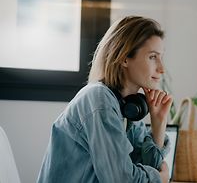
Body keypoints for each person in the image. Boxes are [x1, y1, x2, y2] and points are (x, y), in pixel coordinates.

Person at [37, 16, 173, 183]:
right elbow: (121, 179)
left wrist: (158, 123)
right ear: (124, 58)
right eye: (153, 57)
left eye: (160, 57)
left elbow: (147, 166)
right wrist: (160, 179)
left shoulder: (129, 107)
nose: (162, 68)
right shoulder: (99, 100)